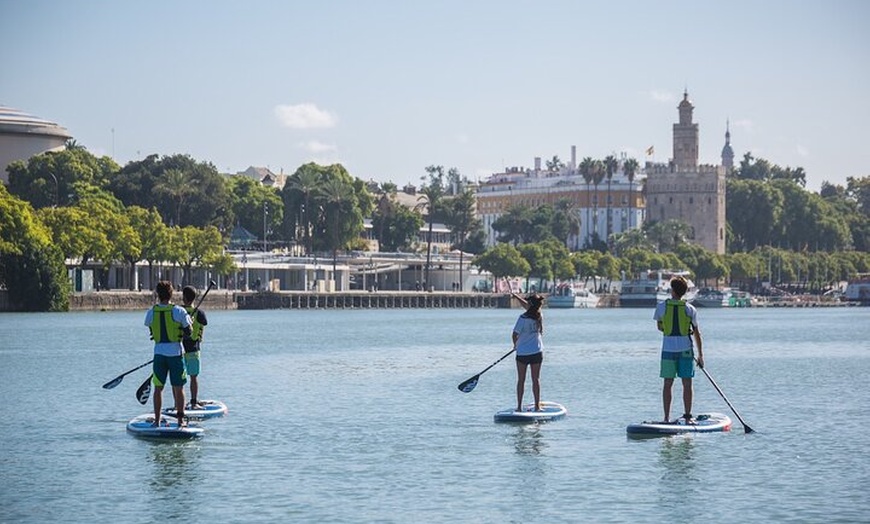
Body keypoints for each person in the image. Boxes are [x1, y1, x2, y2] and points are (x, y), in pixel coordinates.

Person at [654, 276, 704, 424]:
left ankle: (666, 418)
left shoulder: (661, 307)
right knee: (687, 383)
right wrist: (701, 355)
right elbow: (697, 333)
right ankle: (688, 416)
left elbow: (660, 327)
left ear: (673, 291)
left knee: (667, 383)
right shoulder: (690, 309)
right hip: (686, 350)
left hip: (668, 350)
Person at [144, 281, 192, 427]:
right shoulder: (179, 311)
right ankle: (180, 421)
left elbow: (149, 326)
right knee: (179, 388)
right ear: (171, 294)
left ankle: (157, 421)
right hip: (176, 354)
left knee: (158, 388)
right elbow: (189, 332)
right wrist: (189, 325)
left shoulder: (151, 312)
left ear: (158, 295)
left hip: (159, 354)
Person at [512, 293, 545, 412]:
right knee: (536, 379)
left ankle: (519, 407)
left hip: (522, 354)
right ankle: (537, 406)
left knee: (521, 380)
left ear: (530, 304)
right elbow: (528, 306)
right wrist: (516, 297)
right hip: (536, 351)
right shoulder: (539, 315)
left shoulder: (522, 318)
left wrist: (515, 346)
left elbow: (514, 334)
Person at [181, 285, 209, 409]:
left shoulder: (178, 311)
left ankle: (178, 404)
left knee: (179, 379)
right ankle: (193, 401)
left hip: (179, 348)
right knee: (193, 377)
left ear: (183, 298)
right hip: (193, 348)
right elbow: (204, 322)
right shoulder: (200, 313)